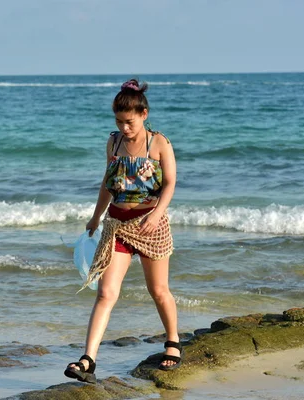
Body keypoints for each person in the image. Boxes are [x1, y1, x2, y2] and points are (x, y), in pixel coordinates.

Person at [64, 79, 180, 384]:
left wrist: (157, 215)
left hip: (150, 225)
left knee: (158, 291)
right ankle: (88, 359)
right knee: (105, 293)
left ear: (143, 114)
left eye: (129, 121)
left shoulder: (159, 143)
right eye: (119, 121)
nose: (124, 127)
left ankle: (173, 343)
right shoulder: (113, 142)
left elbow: (169, 184)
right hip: (116, 225)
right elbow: (107, 182)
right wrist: (95, 216)